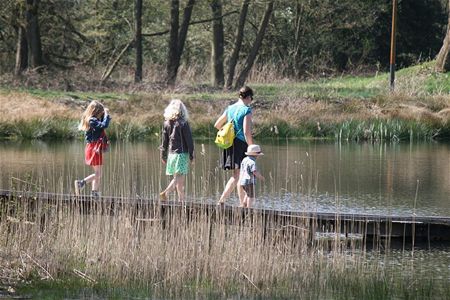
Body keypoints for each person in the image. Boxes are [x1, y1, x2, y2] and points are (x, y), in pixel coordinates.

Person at [214, 86, 254, 205]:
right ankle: (223, 200)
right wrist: (252, 148)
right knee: (239, 175)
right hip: (241, 144)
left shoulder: (230, 108)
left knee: (237, 175)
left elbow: (217, 125)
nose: (251, 101)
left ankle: (240, 203)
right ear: (248, 97)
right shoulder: (246, 110)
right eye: (251, 98)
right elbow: (247, 133)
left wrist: (228, 131)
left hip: (230, 143)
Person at [74, 100, 111, 197]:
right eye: (100, 112)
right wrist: (106, 114)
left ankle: (94, 193)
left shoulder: (93, 119)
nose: (101, 115)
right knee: (98, 174)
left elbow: (102, 123)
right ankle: (81, 183)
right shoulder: (92, 120)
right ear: (95, 112)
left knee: (98, 173)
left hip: (94, 148)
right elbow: (104, 125)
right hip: (94, 148)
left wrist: (104, 114)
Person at [159, 99, 194, 202]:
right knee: (180, 179)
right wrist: (192, 155)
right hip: (181, 154)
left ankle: (181, 199)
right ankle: (167, 194)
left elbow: (164, 142)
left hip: (171, 154)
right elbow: (189, 141)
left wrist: (163, 155)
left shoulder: (166, 123)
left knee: (177, 178)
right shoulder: (184, 123)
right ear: (182, 110)